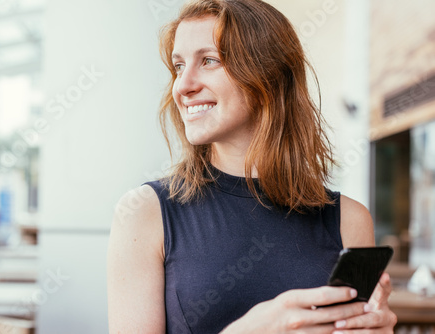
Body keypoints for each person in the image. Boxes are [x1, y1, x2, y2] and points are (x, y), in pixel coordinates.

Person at [107, 0, 397, 333]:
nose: (183, 86)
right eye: (178, 66)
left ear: (267, 75)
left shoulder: (350, 220)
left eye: (209, 60)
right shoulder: (144, 213)